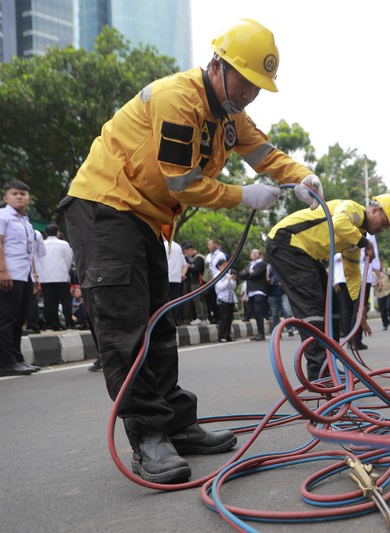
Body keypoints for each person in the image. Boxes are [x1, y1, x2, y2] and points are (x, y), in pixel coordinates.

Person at [60, 18, 325, 484]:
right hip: (105, 207)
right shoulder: (178, 98)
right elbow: (181, 181)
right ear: (220, 66)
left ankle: (177, 424)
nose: (249, 96)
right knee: (126, 328)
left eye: (259, 89)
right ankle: (148, 437)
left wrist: (300, 176)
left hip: (145, 217)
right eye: (246, 83)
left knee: (159, 324)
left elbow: (266, 155)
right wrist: (242, 195)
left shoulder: (230, 117)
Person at [266, 194, 390, 380]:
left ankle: (328, 364)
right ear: (375, 210)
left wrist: (358, 308)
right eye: (385, 222)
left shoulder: (356, 236)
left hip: (305, 254)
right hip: (287, 243)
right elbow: (338, 224)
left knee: (334, 308)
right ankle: (319, 372)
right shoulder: (352, 209)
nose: (383, 229)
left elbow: (352, 272)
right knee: (312, 307)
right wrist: (365, 243)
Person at [0, 180, 41, 376]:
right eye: (15, 193)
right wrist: (3, 271)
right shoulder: (0, 216)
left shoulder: (26, 222)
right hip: (6, 275)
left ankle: (16, 358)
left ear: (28, 198)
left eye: (23, 194)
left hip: (24, 275)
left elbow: (29, 251)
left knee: (18, 319)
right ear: (6, 197)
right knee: (4, 319)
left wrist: (35, 275)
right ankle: (4, 363)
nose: (20, 196)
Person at [39, 224, 75, 330]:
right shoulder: (64, 244)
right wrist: (65, 270)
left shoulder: (42, 244)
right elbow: (69, 259)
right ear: (57, 232)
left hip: (46, 277)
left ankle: (53, 323)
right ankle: (69, 322)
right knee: (65, 301)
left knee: (49, 302)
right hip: (62, 276)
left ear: (46, 233)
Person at [238, 248, 268, 341]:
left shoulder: (262, 264)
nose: (254, 254)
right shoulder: (250, 265)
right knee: (255, 312)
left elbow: (256, 274)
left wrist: (247, 274)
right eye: (252, 253)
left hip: (259, 291)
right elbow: (241, 274)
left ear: (259, 254)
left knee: (258, 311)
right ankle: (259, 333)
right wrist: (248, 273)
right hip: (250, 292)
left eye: (256, 253)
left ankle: (261, 333)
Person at [181, 241, 207, 325]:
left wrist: (189, 265)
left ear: (190, 250)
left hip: (196, 282)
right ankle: (204, 317)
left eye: (186, 252)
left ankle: (201, 318)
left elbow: (197, 269)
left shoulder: (198, 257)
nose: (187, 254)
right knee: (202, 300)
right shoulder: (198, 257)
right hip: (199, 282)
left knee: (197, 300)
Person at [266, 264, 295, 337]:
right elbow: (266, 279)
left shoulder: (283, 264)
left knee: (286, 311)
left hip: (284, 292)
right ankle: (277, 332)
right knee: (275, 314)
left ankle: (289, 329)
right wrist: (269, 281)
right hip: (273, 292)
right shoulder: (269, 267)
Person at [164, 238, 188, 326]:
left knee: (167, 300)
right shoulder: (178, 247)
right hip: (177, 279)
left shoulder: (164, 245)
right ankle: (177, 320)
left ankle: (168, 321)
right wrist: (182, 274)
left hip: (167, 278)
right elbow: (185, 264)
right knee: (176, 299)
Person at [204, 238, 227, 324]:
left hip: (217, 280)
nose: (209, 246)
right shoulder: (208, 256)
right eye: (208, 245)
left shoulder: (221, 255)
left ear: (216, 244)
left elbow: (223, 267)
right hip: (209, 280)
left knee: (216, 299)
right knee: (210, 299)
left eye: (210, 244)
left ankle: (219, 317)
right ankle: (214, 316)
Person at [214, 259, 238, 342]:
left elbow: (233, 287)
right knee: (224, 317)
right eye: (223, 265)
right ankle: (222, 336)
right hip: (222, 298)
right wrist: (228, 280)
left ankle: (228, 335)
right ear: (219, 266)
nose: (225, 267)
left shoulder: (227, 275)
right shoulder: (217, 275)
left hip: (230, 299)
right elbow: (220, 287)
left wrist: (233, 280)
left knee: (230, 318)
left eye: (226, 265)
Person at [375, 264, 390, 330]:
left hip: (388, 292)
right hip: (380, 293)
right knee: (382, 310)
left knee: (389, 306)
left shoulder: (388, 270)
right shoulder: (373, 273)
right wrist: (377, 286)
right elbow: (371, 283)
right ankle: (385, 324)